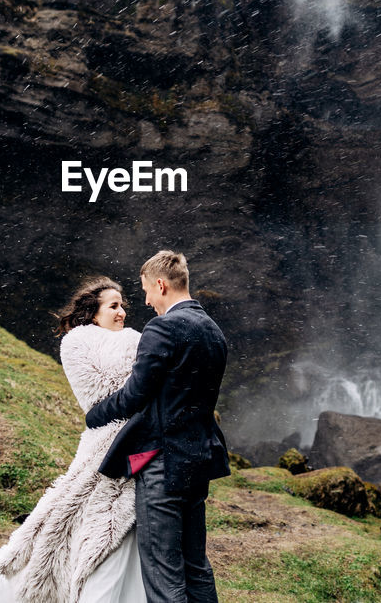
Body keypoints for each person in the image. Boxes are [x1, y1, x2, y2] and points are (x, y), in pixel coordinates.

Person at [0, 277, 147, 603]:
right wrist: (143, 369)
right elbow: (104, 392)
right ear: (93, 311)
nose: (122, 313)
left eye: (123, 306)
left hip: (136, 440)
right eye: (113, 306)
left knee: (125, 526)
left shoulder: (128, 340)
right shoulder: (78, 343)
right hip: (107, 442)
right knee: (91, 520)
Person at [85, 251, 230, 603]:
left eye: (147, 291)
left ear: (161, 285)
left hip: (164, 462)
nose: (147, 301)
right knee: (195, 566)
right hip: (200, 458)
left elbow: (135, 395)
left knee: (163, 572)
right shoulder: (213, 331)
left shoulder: (163, 327)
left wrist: (95, 414)